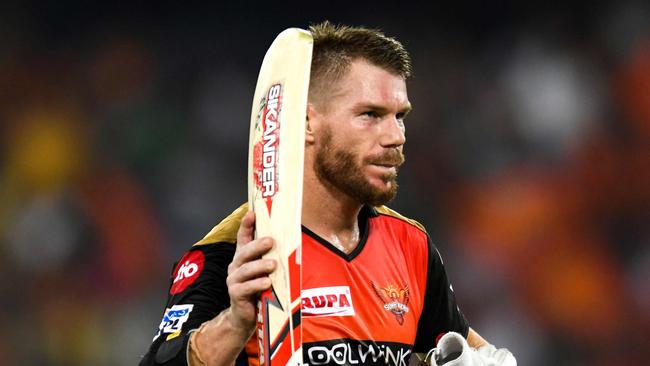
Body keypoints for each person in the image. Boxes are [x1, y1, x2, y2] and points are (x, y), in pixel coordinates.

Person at [139, 21, 515, 366]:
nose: (395, 136)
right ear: (305, 123)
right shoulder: (237, 254)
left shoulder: (410, 246)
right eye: (370, 114)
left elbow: (473, 351)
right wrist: (236, 323)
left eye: (400, 116)